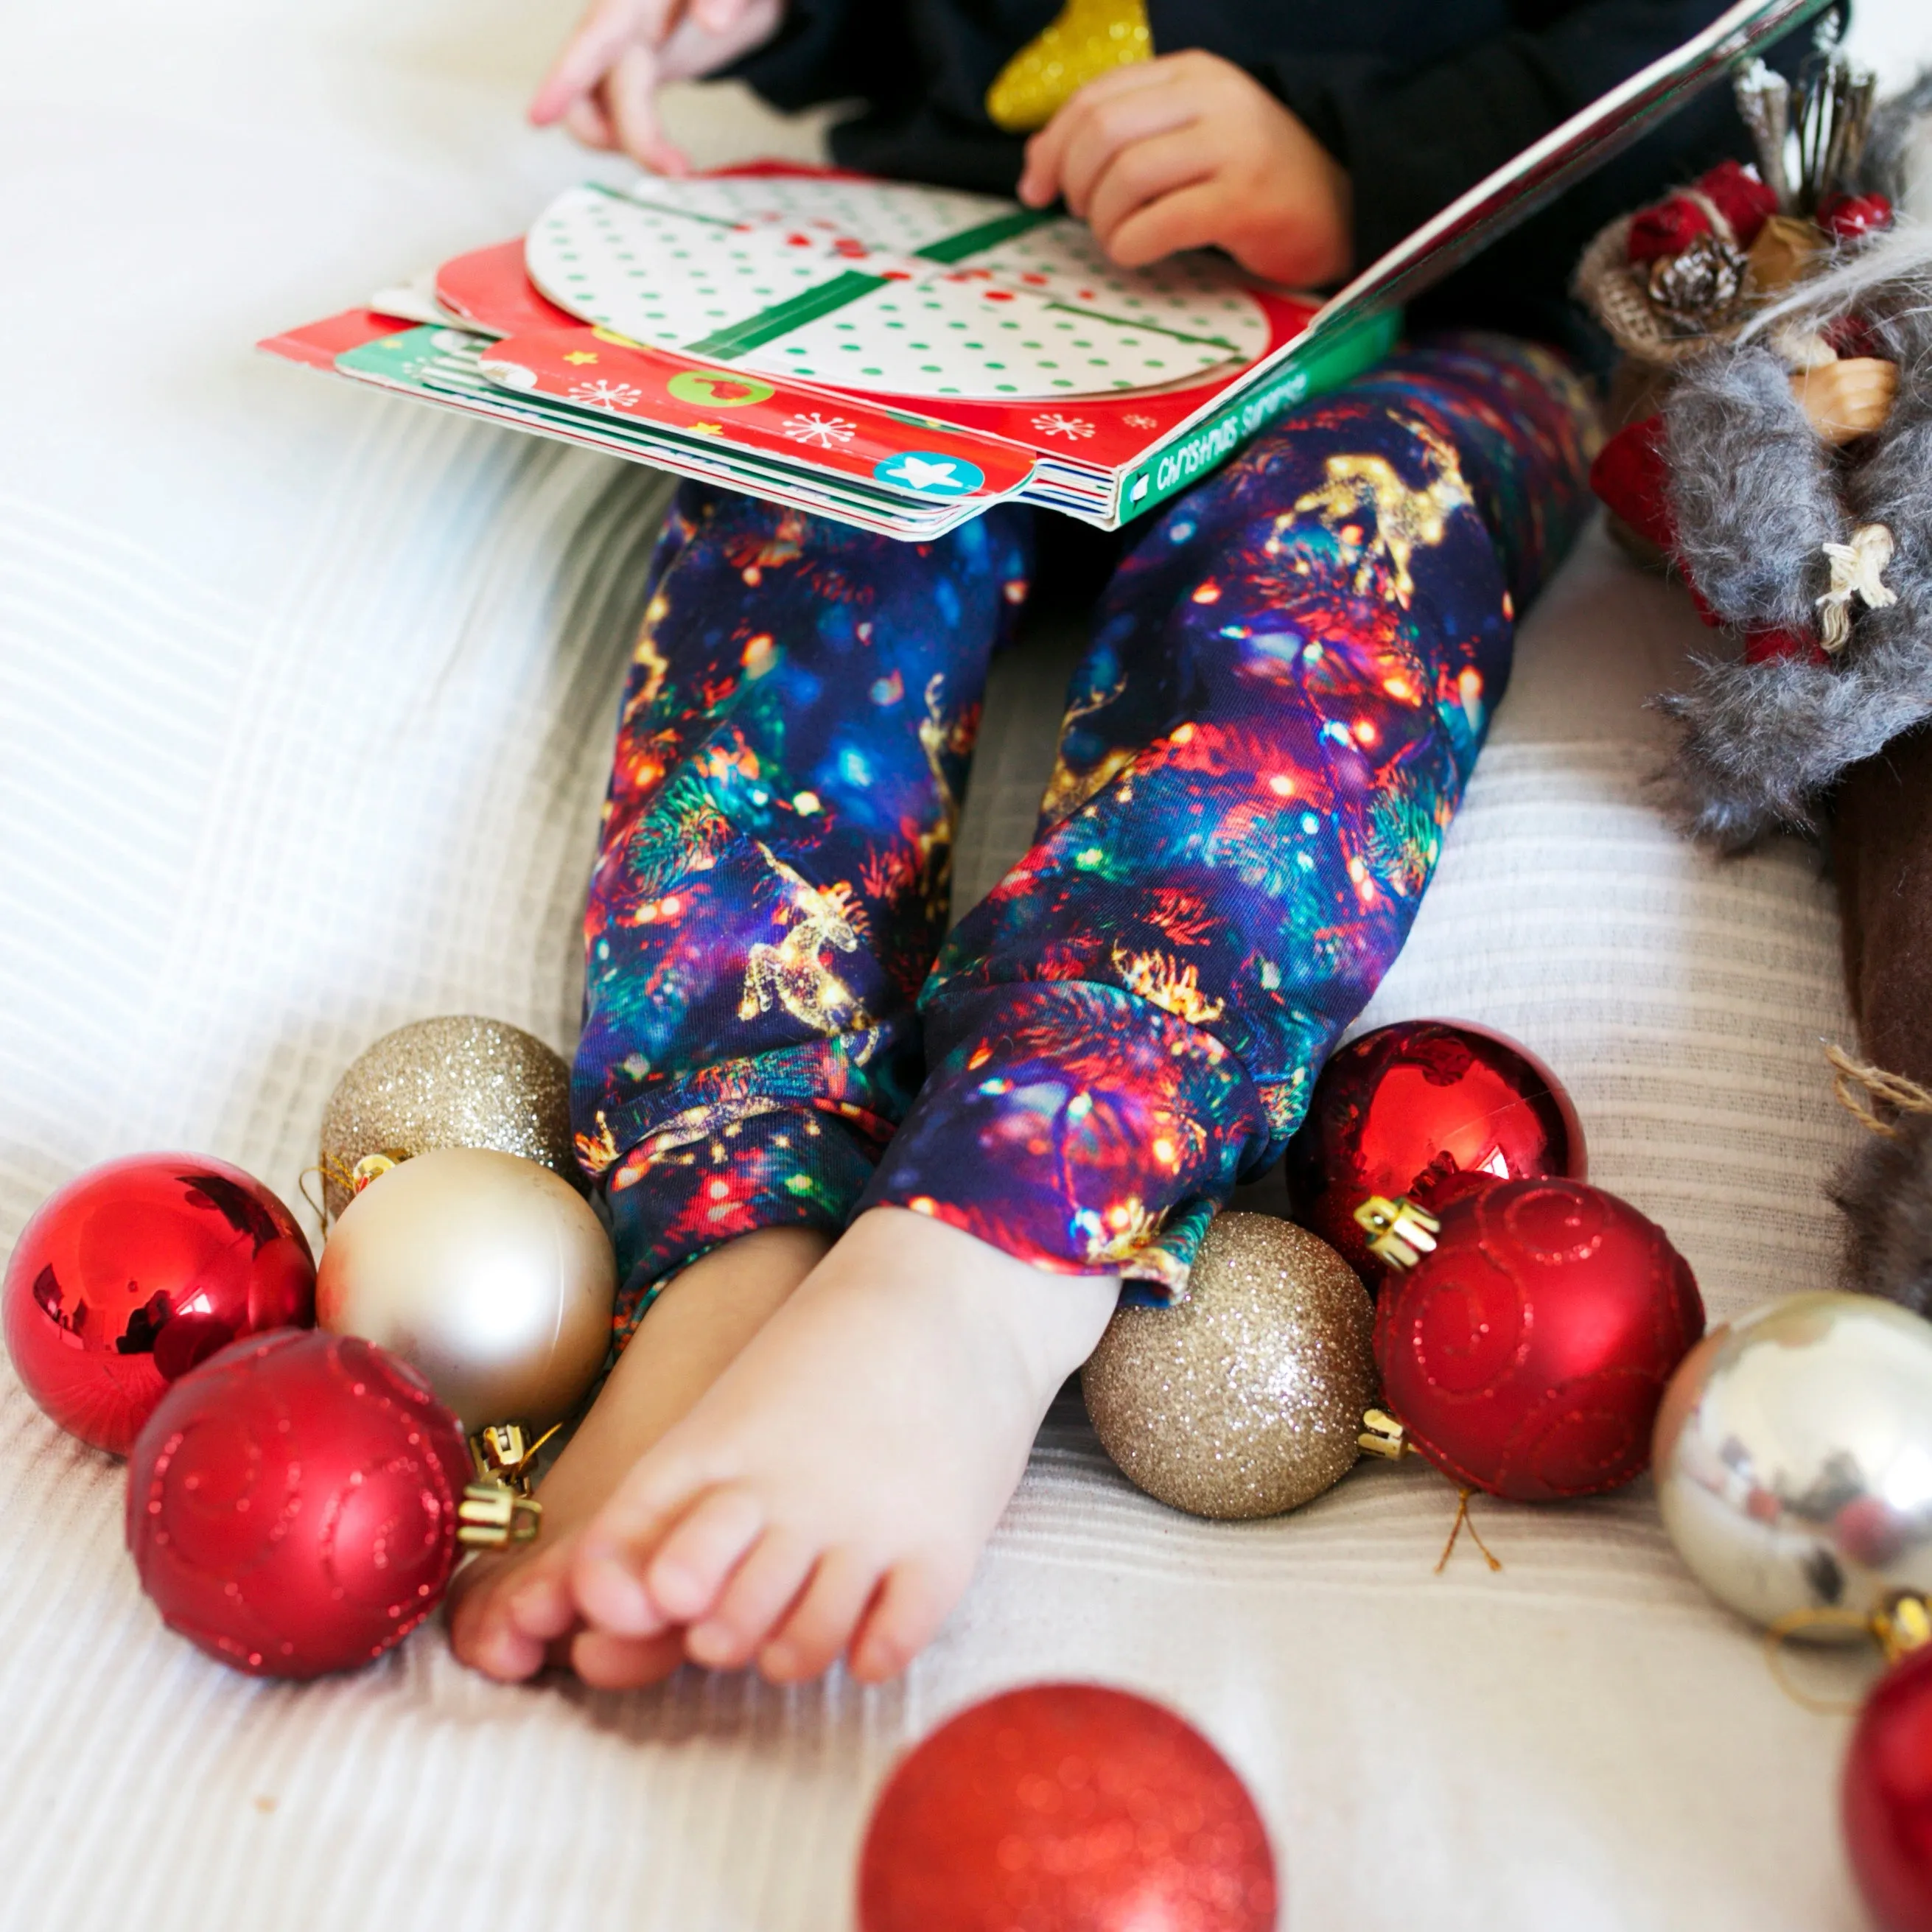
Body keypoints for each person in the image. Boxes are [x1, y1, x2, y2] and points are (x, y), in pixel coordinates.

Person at [449, 0, 1807, 1691]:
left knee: (1325, 602)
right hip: (970, 283)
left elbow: (1703, 74)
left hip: (1424, 310)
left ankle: (991, 1257)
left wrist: (1358, 167)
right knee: (793, 563)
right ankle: (731, 1229)